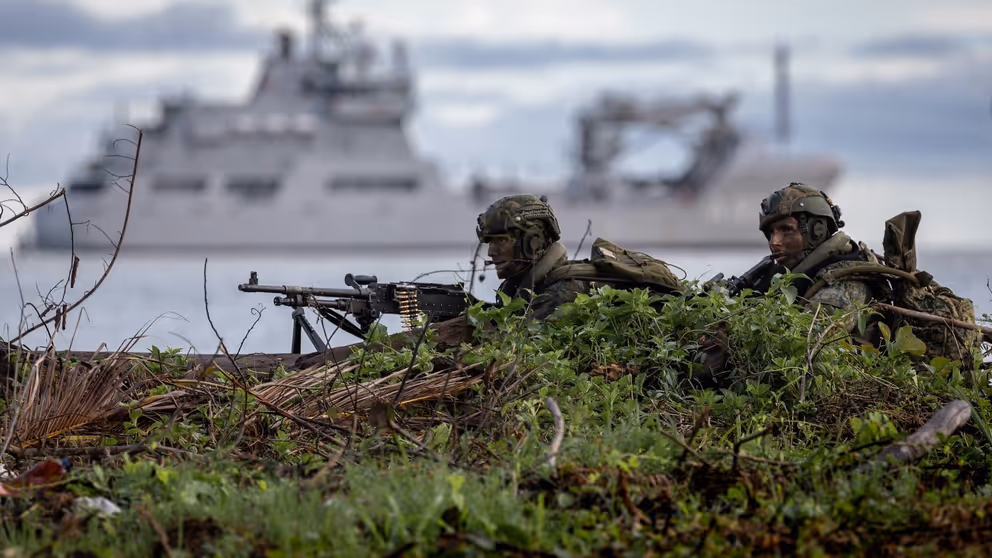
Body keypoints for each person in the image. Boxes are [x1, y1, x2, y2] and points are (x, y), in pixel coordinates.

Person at [476, 194, 593, 320]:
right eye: (490, 242)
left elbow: (519, 336)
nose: (491, 252)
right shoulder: (522, 288)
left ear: (533, 242)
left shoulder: (561, 293)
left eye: (502, 240)